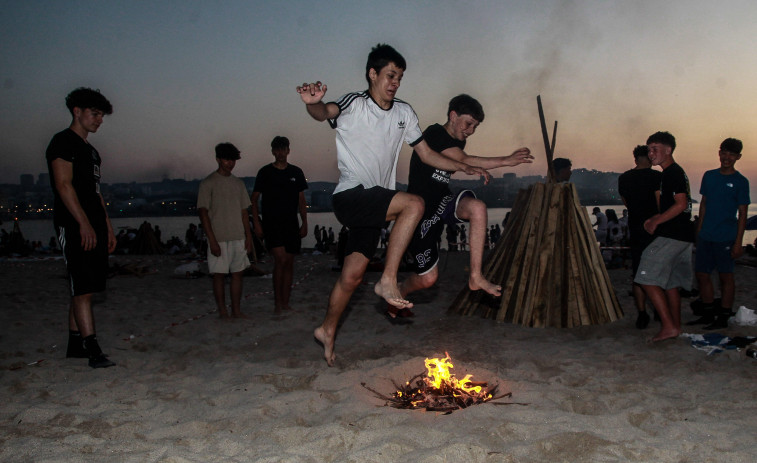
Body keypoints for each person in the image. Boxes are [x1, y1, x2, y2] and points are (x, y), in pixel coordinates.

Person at [297, 44, 489, 366]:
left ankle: (327, 330)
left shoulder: (404, 113)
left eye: (399, 77)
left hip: (376, 206)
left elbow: (427, 154)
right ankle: (388, 280)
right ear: (373, 74)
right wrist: (312, 104)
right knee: (414, 203)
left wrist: (464, 167)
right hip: (351, 195)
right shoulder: (355, 104)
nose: (395, 82)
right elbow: (325, 112)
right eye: (389, 75)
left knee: (352, 276)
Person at [397, 94, 532, 317]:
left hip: (442, 201)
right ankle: (400, 290)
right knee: (428, 279)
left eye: (475, 126)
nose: (471, 131)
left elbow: (461, 158)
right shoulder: (433, 134)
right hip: (419, 211)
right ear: (453, 116)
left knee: (477, 207)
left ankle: (476, 276)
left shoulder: (458, 139)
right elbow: (464, 161)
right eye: (469, 124)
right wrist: (505, 160)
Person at [46, 87, 117, 368]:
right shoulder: (62, 142)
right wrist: (83, 223)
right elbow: (64, 185)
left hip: (94, 222)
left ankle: (75, 343)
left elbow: (96, 193)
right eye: (95, 114)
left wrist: (108, 228)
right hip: (73, 221)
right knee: (82, 284)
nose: (99, 120)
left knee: (87, 286)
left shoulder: (92, 152)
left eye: (102, 116)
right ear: (77, 111)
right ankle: (93, 349)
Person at [634, 131, 694, 342]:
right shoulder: (672, 173)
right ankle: (675, 326)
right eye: (649, 149)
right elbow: (679, 205)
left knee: (645, 276)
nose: (651, 154)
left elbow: (681, 204)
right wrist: (657, 217)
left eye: (655, 149)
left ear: (668, 150)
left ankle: (668, 326)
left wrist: (657, 221)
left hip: (673, 235)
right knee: (670, 283)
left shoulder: (672, 173)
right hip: (684, 236)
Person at [690, 138, 750, 330]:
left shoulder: (741, 182)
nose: (727, 157)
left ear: (738, 157)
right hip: (706, 234)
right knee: (702, 274)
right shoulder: (709, 176)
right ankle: (708, 313)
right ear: (719, 153)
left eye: (731, 154)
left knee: (726, 277)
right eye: (724, 152)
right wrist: (698, 231)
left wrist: (738, 242)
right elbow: (704, 204)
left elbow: (742, 213)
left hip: (727, 235)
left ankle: (723, 315)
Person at [251, 136, 308, 313]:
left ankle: (285, 302)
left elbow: (301, 199)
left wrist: (305, 222)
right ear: (273, 151)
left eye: (283, 149)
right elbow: (254, 200)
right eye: (277, 149)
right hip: (272, 223)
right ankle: (277, 303)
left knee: (289, 262)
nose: (281, 153)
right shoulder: (265, 172)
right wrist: (258, 224)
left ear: (288, 151)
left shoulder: (296, 172)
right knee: (280, 260)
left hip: (291, 223)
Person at [197, 143, 253, 319]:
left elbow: (245, 212)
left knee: (238, 275)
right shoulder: (208, 183)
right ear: (218, 159)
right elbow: (203, 213)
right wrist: (211, 239)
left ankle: (236, 310)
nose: (231, 163)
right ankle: (222, 311)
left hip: (238, 236)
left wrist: (248, 237)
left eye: (233, 160)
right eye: (227, 159)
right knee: (219, 276)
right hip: (219, 237)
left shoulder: (238, 184)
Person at [618, 144, 662, 329]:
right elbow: (660, 202)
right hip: (655, 228)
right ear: (649, 157)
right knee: (658, 272)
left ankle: (642, 313)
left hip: (635, 227)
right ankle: (659, 310)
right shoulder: (657, 177)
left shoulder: (625, 178)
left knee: (638, 273)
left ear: (635, 158)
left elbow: (626, 202)